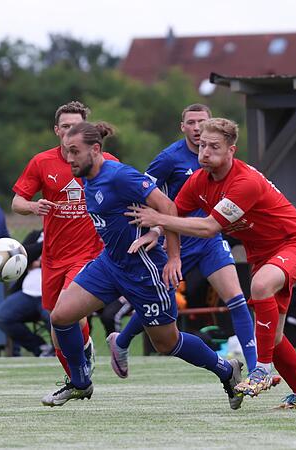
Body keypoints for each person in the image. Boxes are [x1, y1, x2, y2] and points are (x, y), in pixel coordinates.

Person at [42, 121, 244, 410]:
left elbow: (169, 207)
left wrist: (173, 256)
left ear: (96, 150)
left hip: (144, 270)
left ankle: (226, 370)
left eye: (74, 152)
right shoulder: (87, 175)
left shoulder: (120, 176)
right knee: (60, 316)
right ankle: (80, 382)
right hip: (110, 264)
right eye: (66, 152)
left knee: (167, 344)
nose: (69, 159)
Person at [129, 118, 296, 409]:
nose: (205, 152)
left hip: (295, 244)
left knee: (259, 285)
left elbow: (207, 228)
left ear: (232, 150)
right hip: (261, 254)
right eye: (202, 145)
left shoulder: (245, 181)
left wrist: (158, 219)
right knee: (276, 336)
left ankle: (262, 369)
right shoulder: (199, 180)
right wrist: (161, 238)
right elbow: (175, 213)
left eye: (214, 146)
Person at [106, 103, 258, 378]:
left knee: (236, 298)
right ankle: (122, 341)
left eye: (202, 121)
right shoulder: (168, 158)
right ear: (182, 127)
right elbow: (143, 190)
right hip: (178, 240)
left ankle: (256, 369)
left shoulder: (222, 156)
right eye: (191, 122)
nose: (198, 127)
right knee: (158, 303)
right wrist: (154, 230)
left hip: (209, 237)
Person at [11, 101, 112, 388]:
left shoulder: (104, 160)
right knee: (58, 329)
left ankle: (78, 378)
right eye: (65, 127)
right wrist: (32, 206)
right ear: (57, 130)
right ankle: (80, 374)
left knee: (67, 312)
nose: (70, 132)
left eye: (76, 127)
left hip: (90, 255)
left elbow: (129, 188)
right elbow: (16, 202)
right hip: (52, 258)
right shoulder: (42, 162)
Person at [0, 228, 54, 357]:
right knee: (1, 317)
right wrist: (44, 246)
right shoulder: (36, 235)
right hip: (28, 294)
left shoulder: (66, 235)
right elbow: (22, 256)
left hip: (53, 294)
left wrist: (39, 263)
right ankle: (41, 348)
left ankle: (60, 351)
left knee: (54, 318)